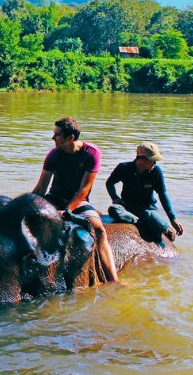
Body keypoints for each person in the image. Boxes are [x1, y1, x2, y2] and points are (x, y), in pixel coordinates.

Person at [32, 116, 120, 283]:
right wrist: (24, 205)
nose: (53, 138)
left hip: (78, 201)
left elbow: (83, 191)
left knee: (100, 231)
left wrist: (67, 211)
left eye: (56, 135)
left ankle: (113, 279)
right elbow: (41, 189)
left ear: (70, 138)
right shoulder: (53, 155)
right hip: (54, 198)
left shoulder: (92, 153)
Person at [105, 142, 184, 243]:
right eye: (153, 160)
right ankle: (137, 220)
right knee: (113, 209)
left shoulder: (156, 171)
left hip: (147, 208)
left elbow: (162, 194)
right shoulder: (123, 168)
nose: (155, 163)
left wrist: (173, 219)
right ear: (141, 159)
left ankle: (163, 227)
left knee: (149, 215)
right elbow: (109, 183)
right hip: (127, 207)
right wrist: (114, 197)